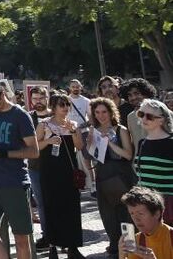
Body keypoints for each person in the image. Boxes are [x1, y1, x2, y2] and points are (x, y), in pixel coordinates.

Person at [0, 78, 39, 259]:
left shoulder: (20, 115)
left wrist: (1, 153)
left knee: (20, 237)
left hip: (14, 182)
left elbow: (34, 151)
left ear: (2, 94)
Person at [36, 92, 85, 258]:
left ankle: (72, 245)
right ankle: (52, 245)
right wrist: (48, 141)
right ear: (53, 107)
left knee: (71, 206)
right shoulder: (44, 125)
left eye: (67, 105)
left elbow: (79, 146)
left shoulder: (73, 124)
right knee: (51, 207)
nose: (65, 108)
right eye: (61, 105)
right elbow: (35, 147)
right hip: (50, 171)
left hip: (68, 171)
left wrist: (73, 132)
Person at [88, 97, 136, 257]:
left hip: (122, 175)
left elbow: (128, 155)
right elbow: (90, 156)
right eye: (97, 112)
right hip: (103, 176)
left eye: (104, 111)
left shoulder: (120, 129)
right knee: (108, 215)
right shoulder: (93, 131)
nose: (101, 115)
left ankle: (129, 248)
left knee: (127, 214)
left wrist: (110, 143)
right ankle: (115, 247)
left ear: (110, 112)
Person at [133, 99, 173, 224]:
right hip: (146, 203)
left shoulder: (171, 143)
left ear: (161, 119)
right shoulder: (142, 143)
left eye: (149, 116)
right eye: (141, 114)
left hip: (168, 205)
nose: (144, 119)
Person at [120, 186, 173, 259]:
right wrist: (121, 255)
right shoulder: (137, 240)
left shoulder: (171, 237)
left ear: (157, 214)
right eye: (132, 214)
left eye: (140, 213)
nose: (136, 219)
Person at [27, 86, 51, 244]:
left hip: (56, 165)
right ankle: (47, 235)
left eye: (41, 98)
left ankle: (61, 234)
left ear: (47, 98)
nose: (38, 102)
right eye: (35, 99)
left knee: (57, 201)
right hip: (35, 167)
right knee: (41, 203)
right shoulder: (27, 118)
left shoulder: (55, 115)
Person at [123, 80, 158, 149]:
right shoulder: (130, 117)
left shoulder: (160, 112)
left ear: (146, 93)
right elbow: (135, 142)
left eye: (137, 93)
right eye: (130, 95)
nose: (133, 98)